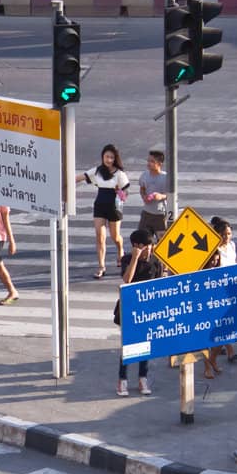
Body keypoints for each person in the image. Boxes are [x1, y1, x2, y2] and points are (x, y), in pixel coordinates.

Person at [117, 229, 159, 397]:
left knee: (145, 346)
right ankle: (122, 380)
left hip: (148, 310)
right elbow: (127, 279)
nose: (148, 249)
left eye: (150, 246)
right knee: (128, 345)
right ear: (136, 246)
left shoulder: (155, 261)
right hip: (129, 308)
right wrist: (135, 258)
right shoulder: (127, 259)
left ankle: (143, 378)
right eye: (144, 246)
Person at [80, 144, 130, 279]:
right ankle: (101, 266)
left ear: (115, 159)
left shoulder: (120, 174)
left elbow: (125, 196)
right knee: (100, 237)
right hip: (100, 206)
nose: (108, 160)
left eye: (111, 157)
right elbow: (79, 177)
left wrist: (118, 191)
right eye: (107, 157)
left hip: (114, 207)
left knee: (115, 237)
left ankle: (120, 249)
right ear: (102, 157)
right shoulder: (96, 171)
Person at [203, 217, 237, 377]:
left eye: (229, 233)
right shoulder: (213, 251)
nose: (227, 237)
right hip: (214, 294)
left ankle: (213, 358)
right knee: (209, 332)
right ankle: (207, 366)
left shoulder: (232, 246)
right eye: (224, 234)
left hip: (230, 292)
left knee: (225, 330)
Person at [137, 149, 171, 240]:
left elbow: (171, 195)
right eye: (148, 161)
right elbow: (142, 189)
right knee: (142, 240)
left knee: (162, 242)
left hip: (160, 216)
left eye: (152, 161)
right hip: (146, 214)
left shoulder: (166, 177)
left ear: (160, 164)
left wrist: (161, 196)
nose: (149, 163)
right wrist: (144, 196)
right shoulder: (144, 175)